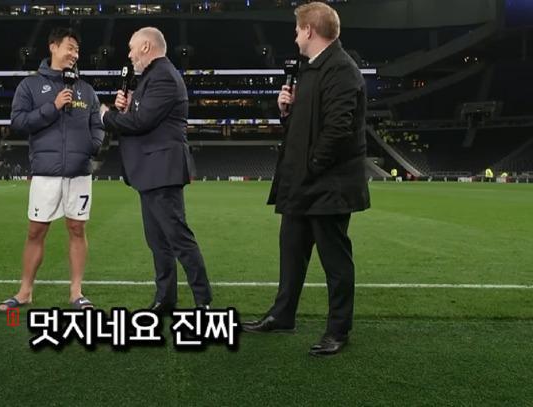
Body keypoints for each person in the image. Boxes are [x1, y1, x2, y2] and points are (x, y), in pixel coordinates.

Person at [241, 2, 370, 356]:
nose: (295, 36)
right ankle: (282, 315)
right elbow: (306, 127)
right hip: (303, 182)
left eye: (297, 30)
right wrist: (287, 111)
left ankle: (338, 330)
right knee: (291, 251)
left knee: (335, 260)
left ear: (310, 30)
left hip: (328, 185)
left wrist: (312, 166)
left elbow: (338, 129)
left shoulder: (342, 69)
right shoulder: (312, 69)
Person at [100, 27, 212, 313]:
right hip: (151, 171)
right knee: (158, 241)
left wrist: (106, 116)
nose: (129, 54)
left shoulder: (162, 76)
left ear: (147, 47)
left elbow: (142, 123)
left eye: (132, 48)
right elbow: (139, 118)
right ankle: (166, 299)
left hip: (161, 170)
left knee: (178, 239)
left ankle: (203, 302)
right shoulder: (150, 78)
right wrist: (123, 110)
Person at [0, 27, 104, 312]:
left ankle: (76, 293)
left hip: (79, 172)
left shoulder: (86, 89)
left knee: (77, 229)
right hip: (46, 172)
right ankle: (24, 292)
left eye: (77, 50)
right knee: (36, 231)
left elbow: (97, 125)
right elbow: (18, 123)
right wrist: (53, 107)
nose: (74, 54)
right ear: (53, 47)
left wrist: (93, 145)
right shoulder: (30, 86)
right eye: (70, 47)